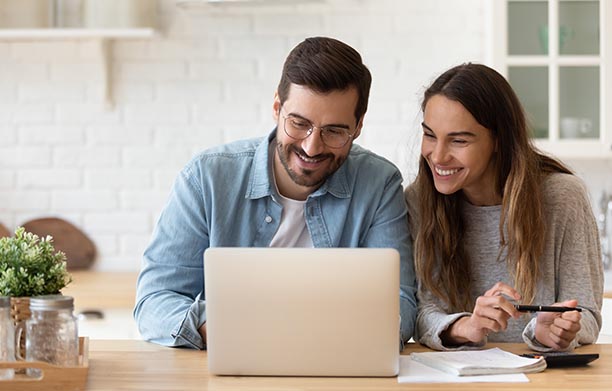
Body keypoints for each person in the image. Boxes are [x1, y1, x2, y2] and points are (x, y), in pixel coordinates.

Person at [134, 36, 417, 349]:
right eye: (299, 123)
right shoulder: (207, 178)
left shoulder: (379, 184)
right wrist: (216, 326)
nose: (312, 146)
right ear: (276, 108)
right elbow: (154, 301)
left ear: (358, 126)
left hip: (336, 368)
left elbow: (399, 303)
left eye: (334, 131)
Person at [405, 63, 603, 351]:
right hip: (455, 377)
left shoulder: (563, 197)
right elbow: (423, 312)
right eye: (430, 135)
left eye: (458, 140)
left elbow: (586, 312)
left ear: (499, 140)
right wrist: (468, 326)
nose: (437, 156)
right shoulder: (419, 199)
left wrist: (554, 329)